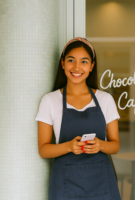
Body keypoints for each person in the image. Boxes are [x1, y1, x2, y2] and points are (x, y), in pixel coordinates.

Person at [35, 37, 122, 200]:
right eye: (71, 60)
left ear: (91, 66)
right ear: (62, 63)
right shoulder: (50, 100)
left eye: (84, 61)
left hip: (101, 182)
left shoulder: (105, 99)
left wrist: (100, 145)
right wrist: (68, 147)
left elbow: (115, 146)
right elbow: (44, 150)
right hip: (65, 185)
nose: (76, 67)